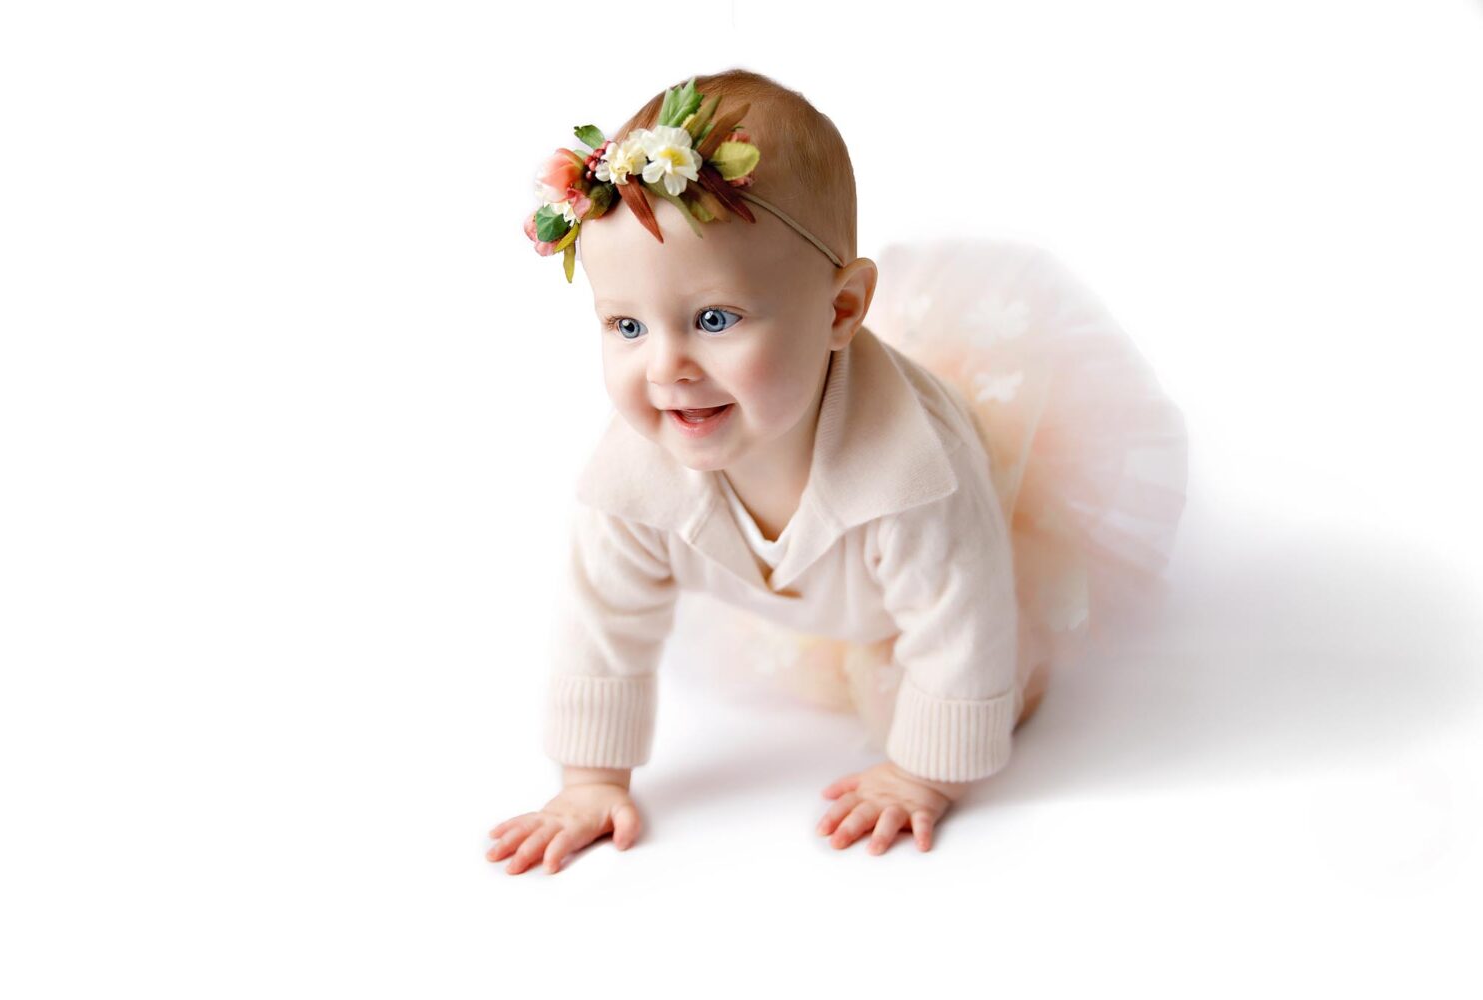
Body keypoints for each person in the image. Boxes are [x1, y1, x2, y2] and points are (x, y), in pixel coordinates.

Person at [488, 70, 1188, 875]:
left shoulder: (919, 472)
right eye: (627, 325)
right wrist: (590, 778)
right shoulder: (635, 474)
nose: (667, 366)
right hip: (815, 578)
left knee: (978, 643)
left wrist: (925, 774)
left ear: (842, 311)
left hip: (941, 568)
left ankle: (997, 699)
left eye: (715, 319)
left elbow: (962, 619)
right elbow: (600, 617)